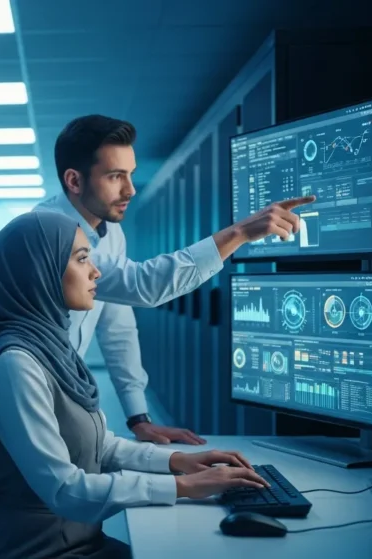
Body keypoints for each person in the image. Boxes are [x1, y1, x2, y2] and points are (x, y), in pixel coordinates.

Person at [0, 210, 270, 559]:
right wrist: (181, 487)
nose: (96, 272)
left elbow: (100, 447)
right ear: (39, 273)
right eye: (82, 259)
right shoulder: (16, 363)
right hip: (32, 551)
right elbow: (64, 489)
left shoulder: (52, 345)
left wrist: (177, 461)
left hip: (80, 543)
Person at [34, 114, 315, 444]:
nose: (130, 190)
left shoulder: (110, 231)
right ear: (74, 180)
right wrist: (238, 233)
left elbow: (117, 325)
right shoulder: (46, 230)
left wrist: (138, 416)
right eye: (115, 177)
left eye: (131, 175)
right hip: (29, 391)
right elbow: (143, 284)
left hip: (62, 392)